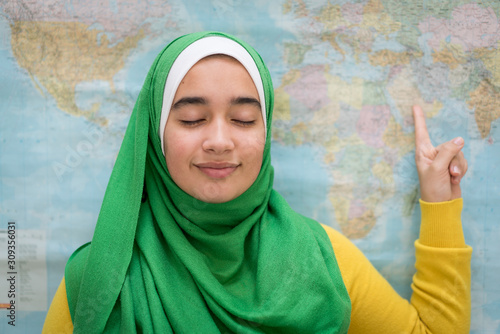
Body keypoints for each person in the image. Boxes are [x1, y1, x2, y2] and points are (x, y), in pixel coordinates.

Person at [43, 31, 471, 333]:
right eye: (192, 118)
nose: (219, 141)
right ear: (155, 134)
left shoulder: (322, 261)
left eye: (244, 119)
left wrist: (440, 204)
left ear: (266, 134)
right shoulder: (99, 279)